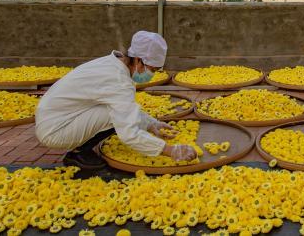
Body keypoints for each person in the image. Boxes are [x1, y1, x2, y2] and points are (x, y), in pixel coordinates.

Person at [35, 30, 197, 169]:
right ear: (139, 60)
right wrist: (170, 150)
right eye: (152, 69)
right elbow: (129, 133)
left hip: (56, 116)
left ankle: (80, 147)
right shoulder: (118, 81)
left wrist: (151, 123)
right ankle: (78, 153)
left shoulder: (113, 64)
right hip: (55, 129)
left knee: (120, 111)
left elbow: (126, 108)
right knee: (115, 115)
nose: (152, 74)